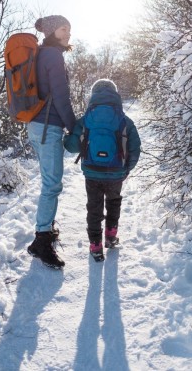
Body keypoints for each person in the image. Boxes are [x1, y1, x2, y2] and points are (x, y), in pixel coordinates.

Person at [64, 79, 141, 262]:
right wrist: (126, 169)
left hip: (92, 172)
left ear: (93, 95)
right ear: (115, 94)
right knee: (114, 202)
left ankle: (95, 246)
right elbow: (135, 148)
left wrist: (68, 136)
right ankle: (111, 237)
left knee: (94, 207)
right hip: (116, 173)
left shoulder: (86, 119)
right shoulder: (124, 120)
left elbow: (72, 147)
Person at [26, 15, 76, 270]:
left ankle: (44, 232)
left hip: (36, 126)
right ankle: (41, 241)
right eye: (63, 28)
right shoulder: (53, 56)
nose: (68, 33)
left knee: (49, 182)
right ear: (51, 30)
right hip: (48, 126)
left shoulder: (42, 54)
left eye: (69, 28)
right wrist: (74, 126)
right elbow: (61, 96)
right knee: (52, 185)